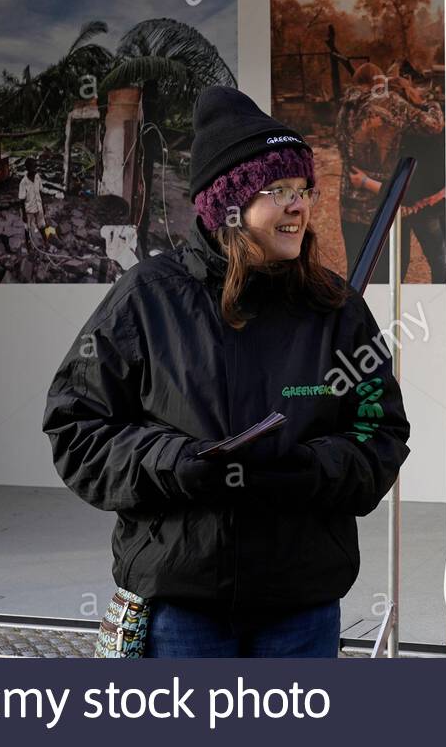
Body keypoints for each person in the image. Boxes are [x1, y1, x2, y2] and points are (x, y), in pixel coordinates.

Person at [41, 85, 411, 658]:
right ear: (228, 208)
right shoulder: (146, 299)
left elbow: (381, 433)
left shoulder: (338, 311)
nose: (299, 206)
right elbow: (77, 429)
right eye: (278, 191)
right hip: (182, 608)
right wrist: (173, 463)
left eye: (303, 190)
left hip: (301, 607)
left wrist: (314, 469)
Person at [336, 62, 444, 284]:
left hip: (349, 205)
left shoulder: (344, 108)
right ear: (379, 81)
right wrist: (430, 103)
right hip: (381, 206)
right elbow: (434, 125)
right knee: (390, 276)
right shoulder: (389, 103)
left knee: (358, 275)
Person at [18, 158, 48, 249]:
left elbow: (40, 191)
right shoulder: (23, 182)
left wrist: (43, 205)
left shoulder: (37, 177)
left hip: (38, 206)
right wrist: (23, 214)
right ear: (27, 168)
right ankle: (28, 244)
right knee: (27, 228)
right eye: (33, 167)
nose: (35, 169)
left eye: (35, 167)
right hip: (29, 209)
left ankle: (45, 241)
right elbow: (21, 200)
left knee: (42, 225)